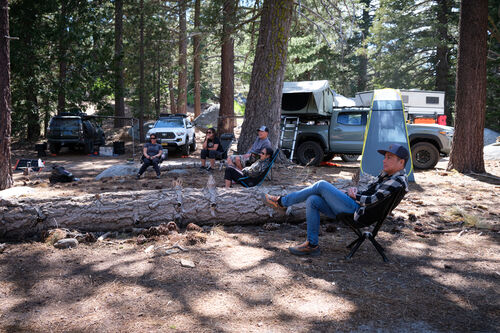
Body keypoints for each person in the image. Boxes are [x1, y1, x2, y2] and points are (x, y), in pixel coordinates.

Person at [265, 143, 410, 256]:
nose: (384, 160)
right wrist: (350, 193)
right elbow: (369, 193)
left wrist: (354, 196)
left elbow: (372, 200)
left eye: (389, 157)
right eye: (385, 157)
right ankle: (312, 245)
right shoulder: (388, 176)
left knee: (321, 184)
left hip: (359, 214)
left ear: (401, 162)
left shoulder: (397, 181)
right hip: (357, 208)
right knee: (313, 200)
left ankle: (283, 202)